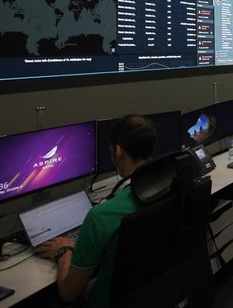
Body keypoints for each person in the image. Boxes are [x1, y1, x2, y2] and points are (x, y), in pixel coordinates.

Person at [35, 114, 158, 308]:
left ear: (117, 152)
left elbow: (69, 292)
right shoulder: (171, 188)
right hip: (154, 292)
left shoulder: (101, 217)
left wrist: (64, 251)